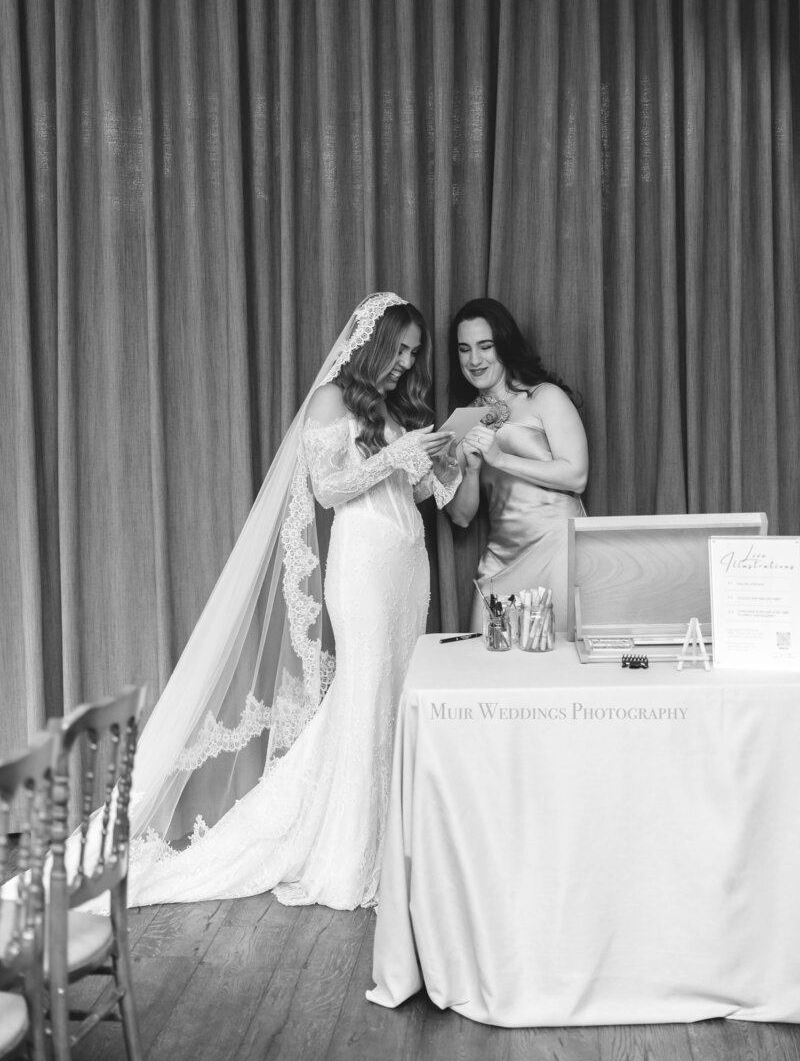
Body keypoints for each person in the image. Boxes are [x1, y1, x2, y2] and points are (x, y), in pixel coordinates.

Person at [122, 293, 459, 910]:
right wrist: (398, 454)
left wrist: (438, 460)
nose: (406, 364)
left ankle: (397, 841)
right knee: (366, 692)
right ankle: (354, 854)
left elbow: (402, 491)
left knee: (395, 695)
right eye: (400, 350)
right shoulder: (333, 399)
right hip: (362, 568)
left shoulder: (386, 407)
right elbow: (329, 491)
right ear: (373, 343)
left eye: (414, 355)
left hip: (406, 563)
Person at [445, 298, 588, 632]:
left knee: (558, 665)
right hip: (501, 560)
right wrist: (473, 470)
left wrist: (501, 458)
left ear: (504, 346)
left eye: (485, 346)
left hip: (558, 550)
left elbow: (577, 476)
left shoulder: (544, 397)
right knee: (489, 667)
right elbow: (461, 516)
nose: (474, 360)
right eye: (464, 349)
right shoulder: (461, 420)